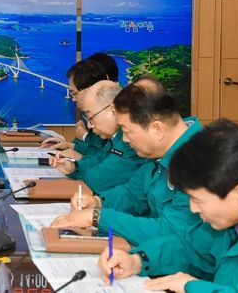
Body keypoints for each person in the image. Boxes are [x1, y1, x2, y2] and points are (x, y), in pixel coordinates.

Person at [99, 119, 238, 293]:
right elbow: (193, 248)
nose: (193, 209)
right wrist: (138, 260)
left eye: (198, 200)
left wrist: (191, 286)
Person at [51, 77, 203, 246]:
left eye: (127, 131)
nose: (124, 139)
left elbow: (170, 233)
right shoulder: (160, 151)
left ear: (157, 129)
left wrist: (97, 217)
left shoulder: (201, 162)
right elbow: (133, 193)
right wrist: (98, 202)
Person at [51, 80, 146, 193]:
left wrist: (77, 170)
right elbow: (98, 160)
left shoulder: (130, 140)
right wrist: (74, 167)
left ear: (112, 111)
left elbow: (99, 179)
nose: (89, 126)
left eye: (91, 117)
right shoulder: (114, 137)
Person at [41, 58, 108, 157]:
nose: (73, 99)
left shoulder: (111, 118)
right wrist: (69, 145)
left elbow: (105, 157)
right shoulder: (87, 114)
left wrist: (79, 159)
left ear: (90, 89)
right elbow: (94, 150)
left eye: (74, 93)